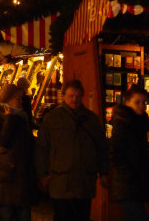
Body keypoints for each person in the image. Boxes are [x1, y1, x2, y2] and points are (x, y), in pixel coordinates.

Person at [36, 79, 108, 221]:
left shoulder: (91, 119)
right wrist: (41, 174)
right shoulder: (52, 118)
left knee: (82, 216)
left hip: (84, 180)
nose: (74, 99)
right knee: (62, 216)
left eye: (77, 96)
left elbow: (101, 147)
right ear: (63, 96)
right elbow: (42, 148)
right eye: (71, 96)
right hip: (61, 179)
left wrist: (104, 171)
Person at [0, 83, 36, 221]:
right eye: (17, 98)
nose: (21, 100)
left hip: (22, 173)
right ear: (7, 100)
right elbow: (2, 140)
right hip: (5, 175)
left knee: (24, 214)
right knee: (6, 214)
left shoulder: (21, 116)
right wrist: (9, 119)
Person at [110, 86, 149, 221]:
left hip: (134, 182)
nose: (142, 106)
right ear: (127, 102)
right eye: (137, 102)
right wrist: (129, 174)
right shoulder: (124, 123)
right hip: (128, 183)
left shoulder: (137, 123)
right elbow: (115, 152)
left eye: (144, 102)